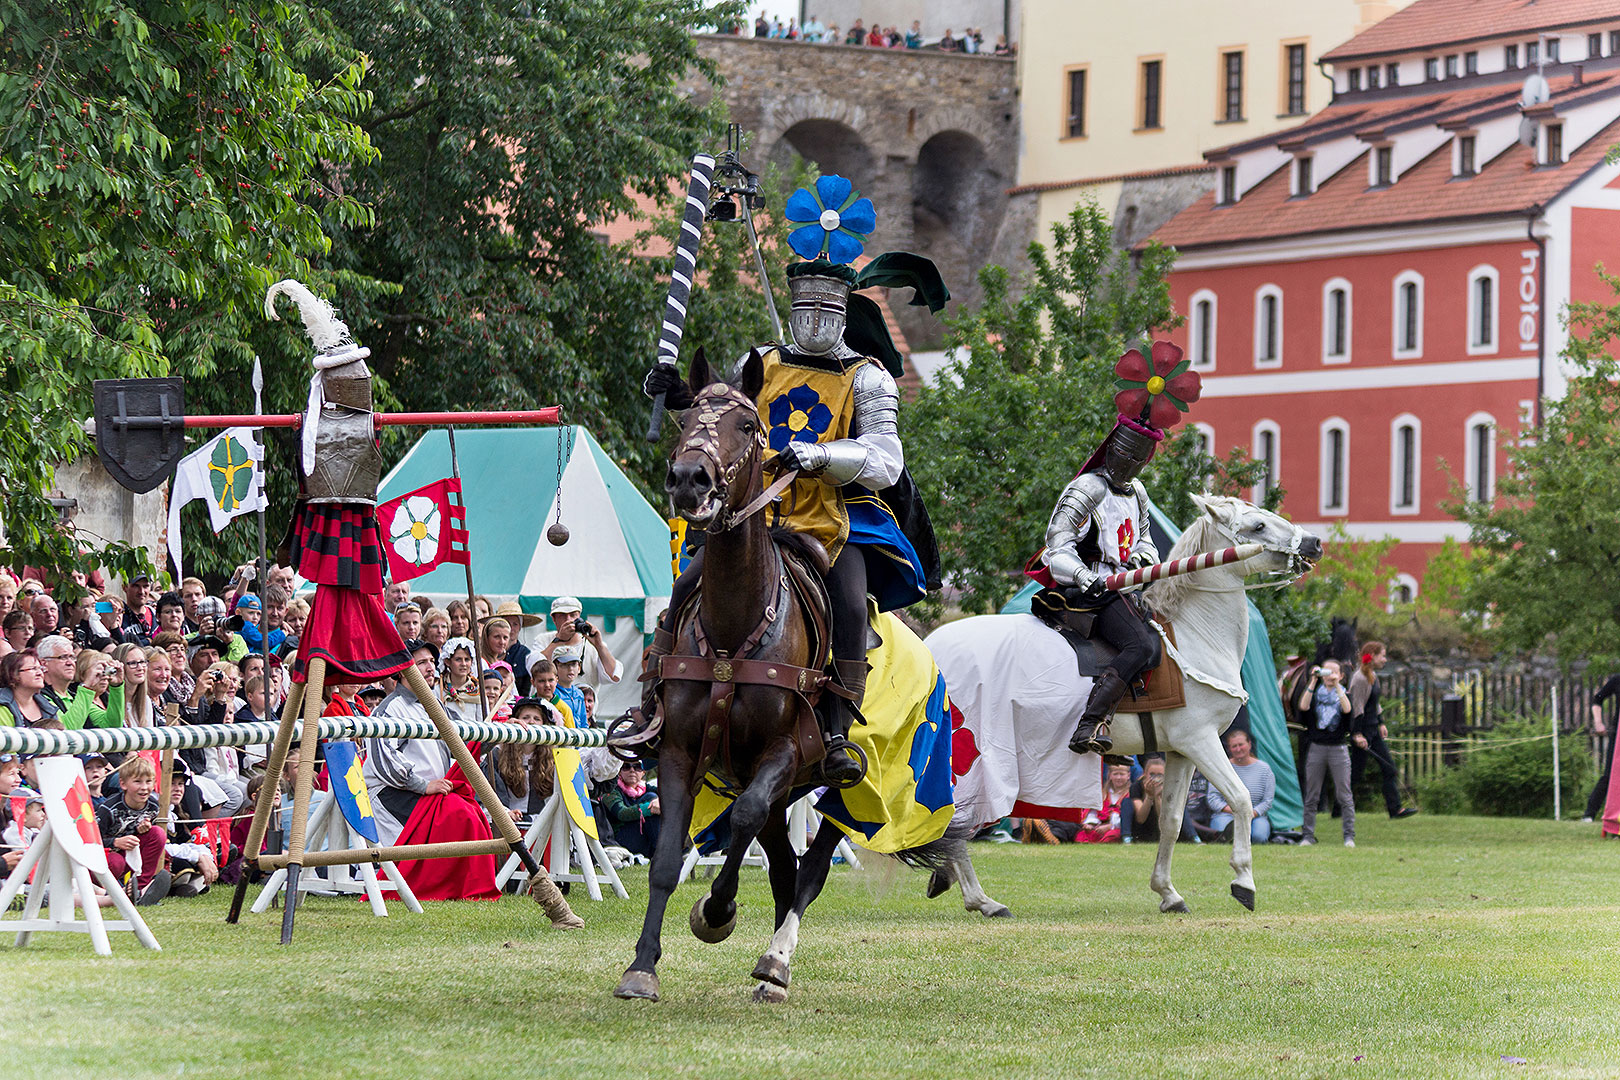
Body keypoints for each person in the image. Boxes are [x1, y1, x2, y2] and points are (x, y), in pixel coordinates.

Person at [642, 215, 946, 785]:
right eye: (804, 308)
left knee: (850, 602)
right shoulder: (761, 360)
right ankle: (654, 706)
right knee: (688, 582)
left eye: (826, 309)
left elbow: (887, 460)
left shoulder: (867, 377)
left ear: (844, 311)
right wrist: (678, 393)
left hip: (838, 514)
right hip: (757, 509)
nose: (813, 319)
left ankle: (836, 728)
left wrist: (822, 456)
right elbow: (723, 418)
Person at [361, 639, 502, 901]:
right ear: (403, 669)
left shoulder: (437, 708)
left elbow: (466, 744)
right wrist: (422, 785)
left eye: (431, 662)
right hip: (394, 793)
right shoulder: (390, 708)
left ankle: (459, 888)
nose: (430, 668)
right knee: (461, 815)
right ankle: (437, 888)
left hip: (431, 793)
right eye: (422, 662)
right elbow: (383, 759)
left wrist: (500, 728)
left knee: (473, 814)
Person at [1296, 659, 1361, 847]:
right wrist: (1313, 681)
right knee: (1311, 794)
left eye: (1334, 672)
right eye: (1327, 671)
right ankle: (1307, 835)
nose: (1329, 675)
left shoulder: (1344, 694)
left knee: (1344, 794)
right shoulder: (1315, 693)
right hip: (1317, 747)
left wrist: (1338, 685)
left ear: (1341, 675)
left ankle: (1349, 836)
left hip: (1338, 748)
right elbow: (1303, 707)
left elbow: (1348, 710)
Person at [1349, 642, 1418, 820]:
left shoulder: (1372, 675)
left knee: (1389, 769)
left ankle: (1395, 810)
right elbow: (1357, 707)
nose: (1385, 659)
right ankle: (1338, 810)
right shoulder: (1359, 678)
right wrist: (1357, 734)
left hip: (1373, 730)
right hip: (1363, 732)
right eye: (1383, 655)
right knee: (1355, 774)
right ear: (1372, 655)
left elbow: (1374, 703)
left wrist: (1381, 722)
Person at [97, 755, 172, 904]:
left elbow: (143, 837)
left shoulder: (153, 806)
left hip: (130, 854)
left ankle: (141, 888)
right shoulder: (108, 809)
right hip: (105, 857)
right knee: (115, 862)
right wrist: (115, 842)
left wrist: (143, 830)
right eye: (137, 782)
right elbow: (90, 842)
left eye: (148, 782)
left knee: (157, 833)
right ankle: (111, 892)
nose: (144, 787)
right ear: (123, 784)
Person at [1206, 729, 1276, 843]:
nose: (1238, 749)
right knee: (1225, 836)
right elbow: (1212, 798)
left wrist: (1251, 813)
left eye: (1241, 745)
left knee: (1259, 837)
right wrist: (1233, 811)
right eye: (1234, 746)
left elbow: (1268, 800)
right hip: (1226, 815)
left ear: (1249, 744)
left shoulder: (1264, 769)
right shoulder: (1222, 768)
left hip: (1255, 816)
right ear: (1229, 749)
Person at [538, 597, 622, 691]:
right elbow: (535, 668)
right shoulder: (543, 640)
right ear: (554, 619)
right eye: (562, 616)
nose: (568, 620)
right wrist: (559, 640)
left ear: (580, 617)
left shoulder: (593, 645)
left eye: (573, 615)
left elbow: (615, 676)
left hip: (584, 704)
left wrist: (599, 646)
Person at [603, 760, 660, 858]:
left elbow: (669, 795)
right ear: (619, 771)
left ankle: (665, 849)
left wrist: (661, 802)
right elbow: (621, 813)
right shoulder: (611, 789)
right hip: (621, 840)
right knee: (651, 798)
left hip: (643, 838)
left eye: (637, 767)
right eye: (626, 766)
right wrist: (649, 809)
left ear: (643, 772)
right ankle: (663, 851)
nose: (632, 770)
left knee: (656, 800)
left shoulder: (646, 788)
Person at [1587, 673, 1619, 823]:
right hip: (1618, 735)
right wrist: (1598, 722)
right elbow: (1597, 699)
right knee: (1610, 774)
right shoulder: (1617, 680)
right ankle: (1589, 814)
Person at [0, 649, 58, 726]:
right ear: (13, 674)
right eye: (33, 669)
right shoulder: (2, 706)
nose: (40, 673)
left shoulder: (49, 706)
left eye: (40, 668)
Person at [552, 646, 588, 727]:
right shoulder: (551, 692)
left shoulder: (579, 693)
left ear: (579, 668)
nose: (570, 668)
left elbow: (583, 722)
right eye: (565, 665)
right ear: (554, 667)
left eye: (574, 664)